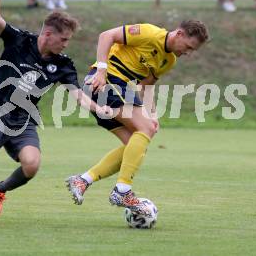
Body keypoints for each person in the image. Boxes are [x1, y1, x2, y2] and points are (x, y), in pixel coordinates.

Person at [0, 0, 112, 228]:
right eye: (64, 39)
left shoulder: (63, 64)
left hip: (24, 121)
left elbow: (77, 94)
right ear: (47, 34)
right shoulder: (19, 40)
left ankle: (1, 189)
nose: (67, 44)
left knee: (32, 165)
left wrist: (98, 108)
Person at [66, 20, 209, 215]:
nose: (188, 52)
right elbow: (106, 35)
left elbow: (147, 85)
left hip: (121, 89)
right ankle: (122, 190)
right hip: (107, 81)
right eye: (188, 47)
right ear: (180, 34)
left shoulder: (169, 60)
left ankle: (83, 180)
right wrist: (101, 69)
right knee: (145, 131)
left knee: (132, 146)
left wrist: (152, 114)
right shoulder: (149, 33)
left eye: (193, 50)